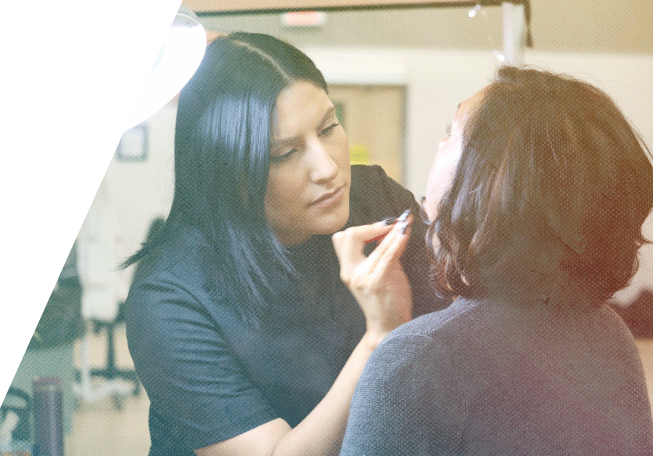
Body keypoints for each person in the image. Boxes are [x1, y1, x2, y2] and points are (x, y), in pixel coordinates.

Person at [122, 32, 448, 456]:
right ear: (229, 175)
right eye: (284, 154)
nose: (327, 168)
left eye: (329, 127)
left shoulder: (376, 201)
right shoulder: (170, 296)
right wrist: (380, 336)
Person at [337, 66, 653, 455]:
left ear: (492, 180)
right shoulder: (609, 330)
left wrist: (384, 334)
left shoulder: (418, 359)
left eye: (450, 132)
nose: (437, 145)